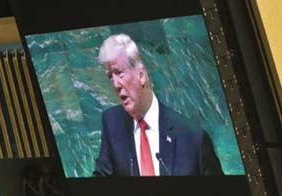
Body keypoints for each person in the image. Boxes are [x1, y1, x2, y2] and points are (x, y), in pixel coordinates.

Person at [93, 33, 222, 177]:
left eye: (119, 73)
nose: (115, 84)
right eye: (110, 76)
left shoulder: (193, 138)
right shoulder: (112, 123)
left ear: (141, 75)